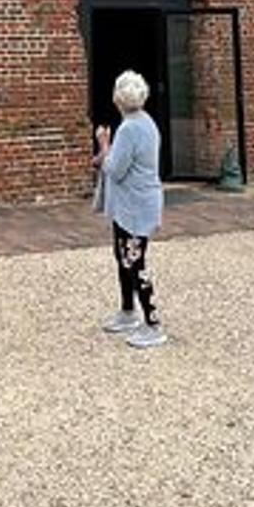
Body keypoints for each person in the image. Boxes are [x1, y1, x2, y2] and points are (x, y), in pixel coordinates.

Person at [93, 69, 165, 349]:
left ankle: (153, 322)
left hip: (134, 206)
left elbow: (115, 168)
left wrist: (104, 144)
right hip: (136, 203)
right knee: (123, 256)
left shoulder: (129, 129)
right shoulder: (146, 122)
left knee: (135, 261)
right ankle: (127, 311)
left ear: (117, 99)